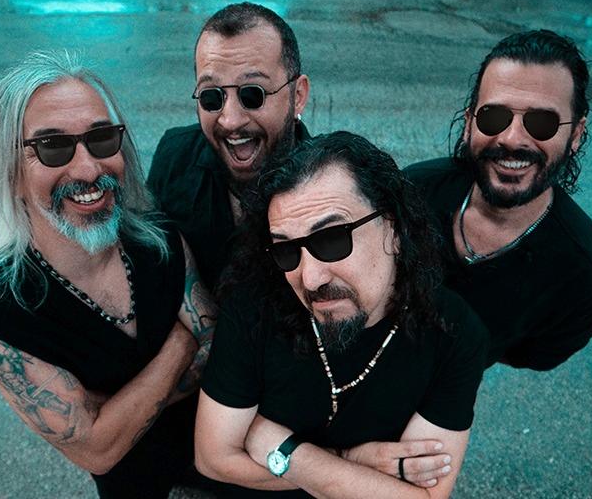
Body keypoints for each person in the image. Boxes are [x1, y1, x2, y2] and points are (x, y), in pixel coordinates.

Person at [0, 50, 214, 498]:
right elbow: (97, 451)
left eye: (101, 138)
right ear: (10, 170)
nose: (89, 168)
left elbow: (218, 348)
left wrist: (109, 411)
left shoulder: (158, 239)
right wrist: (182, 342)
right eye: (53, 147)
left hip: (225, 458)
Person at [195, 131, 488, 498]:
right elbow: (213, 458)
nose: (310, 278)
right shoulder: (258, 304)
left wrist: (284, 450)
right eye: (287, 251)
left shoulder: (453, 331)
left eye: (332, 238)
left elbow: (424, 496)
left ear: (394, 228)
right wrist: (352, 460)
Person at [405, 29, 592, 370]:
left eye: (542, 122)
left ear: (576, 134)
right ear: (469, 123)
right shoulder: (411, 191)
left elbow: (530, 355)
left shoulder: (584, 279)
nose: (512, 138)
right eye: (494, 117)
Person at [147, 2, 312, 290]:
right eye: (212, 96)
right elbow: (154, 260)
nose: (230, 120)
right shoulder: (175, 157)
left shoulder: (329, 192)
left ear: (297, 96)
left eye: (253, 95)